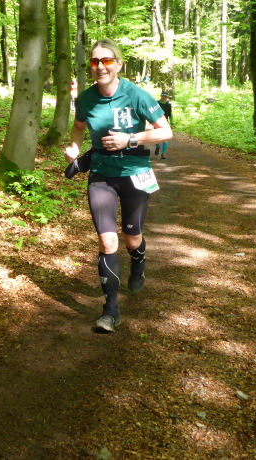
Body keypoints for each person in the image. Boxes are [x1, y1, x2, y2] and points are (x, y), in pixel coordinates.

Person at [65, 39, 173, 334]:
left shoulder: (136, 95)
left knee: (131, 239)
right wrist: (74, 147)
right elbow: (78, 127)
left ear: (118, 64)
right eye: (95, 61)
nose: (100, 66)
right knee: (107, 242)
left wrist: (131, 139)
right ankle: (110, 310)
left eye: (106, 61)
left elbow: (166, 131)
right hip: (101, 175)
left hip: (135, 173)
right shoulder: (86, 99)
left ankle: (138, 261)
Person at [154, 90, 172, 159]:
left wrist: (172, 123)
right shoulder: (157, 103)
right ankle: (158, 147)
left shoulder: (168, 105)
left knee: (165, 138)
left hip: (165, 123)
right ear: (161, 96)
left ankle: (163, 153)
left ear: (167, 97)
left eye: (165, 96)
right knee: (156, 137)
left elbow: (170, 115)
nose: (164, 97)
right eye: (163, 96)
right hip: (157, 122)